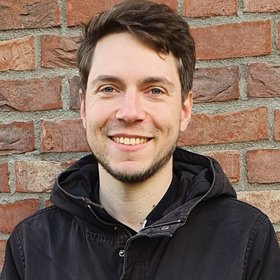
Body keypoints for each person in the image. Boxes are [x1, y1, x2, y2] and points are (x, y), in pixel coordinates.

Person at [1, 0, 280, 279]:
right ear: (84, 107)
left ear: (184, 110)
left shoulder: (246, 240)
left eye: (155, 90)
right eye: (109, 88)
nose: (130, 112)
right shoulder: (32, 247)